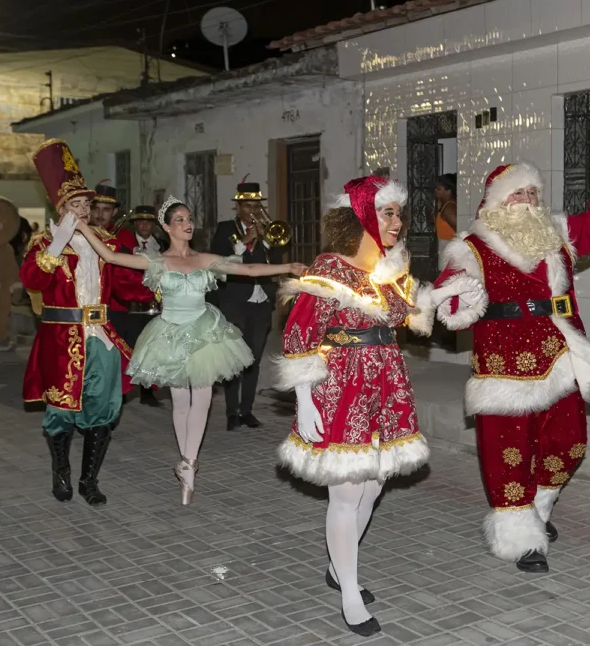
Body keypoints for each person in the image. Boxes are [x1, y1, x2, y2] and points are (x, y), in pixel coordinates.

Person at [273, 175, 481, 637]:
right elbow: (300, 334)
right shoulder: (329, 268)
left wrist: (446, 293)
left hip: (386, 386)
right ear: (362, 216)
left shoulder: (392, 267)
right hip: (342, 388)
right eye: (387, 213)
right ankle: (348, 590)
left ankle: (338, 566)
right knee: (347, 493)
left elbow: (411, 312)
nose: (397, 222)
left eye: (398, 214)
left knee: (373, 487)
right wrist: (304, 399)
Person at [434, 129, 590, 574]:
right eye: (518, 194)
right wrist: (460, 300)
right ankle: (518, 539)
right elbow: (447, 300)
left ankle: (539, 510)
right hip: (504, 367)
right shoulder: (471, 248)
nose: (528, 201)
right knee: (508, 451)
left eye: (533, 193)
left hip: (559, 356)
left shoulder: (556, 234)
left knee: (569, 443)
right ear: (496, 202)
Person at [72, 196, 307, 505]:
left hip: (203, 331)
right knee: (181, 402)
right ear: (167, 227)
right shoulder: (157, 261)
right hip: (169, 334)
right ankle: (185, 461)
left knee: (203, 397)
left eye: (189, 219)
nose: (187, 224)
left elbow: (249, 269)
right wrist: (82, 227)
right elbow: (110, 256)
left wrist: (288, 266)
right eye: (180, 220)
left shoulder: (204, 259)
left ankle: (190, 463)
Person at [22, 140, 135, 506]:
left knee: (102, 411)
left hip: (101, 337)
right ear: (61, 209)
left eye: (87, 205)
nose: (85, 210)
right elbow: (32, 280)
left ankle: (89, 480)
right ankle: (61, 473)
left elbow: (127, 283)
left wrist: (166, 277)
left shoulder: (105, 243)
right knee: (60, 410)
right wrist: (56, 245)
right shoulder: (43, 243)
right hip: (62, 340)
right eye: (77, 205)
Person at [210, 181, 284, 431]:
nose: (253, 211)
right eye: (248, 206)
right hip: (235, 301)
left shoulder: (267, 231)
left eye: (256, 206)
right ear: (238, 207)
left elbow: (276, 260)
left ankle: (247, 410)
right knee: (234, 359)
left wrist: (267, 242)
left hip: (261, 301)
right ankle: (232, 412)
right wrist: (244, 241)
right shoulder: (225, 229)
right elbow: (218, 258)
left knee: (253, 359)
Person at [105, 206, 161, 408]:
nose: (144, 225)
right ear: (135, 223)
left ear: (154, 225)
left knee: (149, 350)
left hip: (153, 307)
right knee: (126, 349)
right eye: (140, 221)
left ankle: (147, 391)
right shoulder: (124, 244)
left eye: (148, 221)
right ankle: (121, 392)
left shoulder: (162, 245)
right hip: (128, 306)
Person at [435, 173, 457, 256]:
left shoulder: (449, 208)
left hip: (450, 252)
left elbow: (460, 231)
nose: (435, 191)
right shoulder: (444, 206)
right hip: (445, 250)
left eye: (439, 189)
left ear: (448, 191)